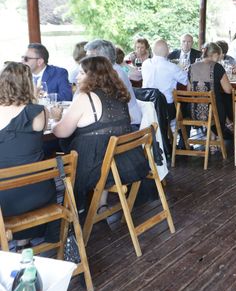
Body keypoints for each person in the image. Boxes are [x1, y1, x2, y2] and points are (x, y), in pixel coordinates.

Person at [51, 56, 149, 211]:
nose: (77, 77)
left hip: (94, 168)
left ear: (94, 76)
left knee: (60, 149)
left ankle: (74, 208)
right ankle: (100, 203)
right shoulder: (119, 94)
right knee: (99, 143)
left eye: (82, 73)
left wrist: (55, 120)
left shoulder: (86, 97)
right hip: (125, 163)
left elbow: (62, 132)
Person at [0, 62, 57, 243]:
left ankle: (17, 243)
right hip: (37, 192)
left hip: (4, 198)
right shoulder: (37, 112)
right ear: (28, 84)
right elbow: (46, 127)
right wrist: (33, 97)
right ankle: (24, 241)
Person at [84, 39, 143, 127]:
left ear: (103, 58)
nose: (86, 61)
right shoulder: (108, 70)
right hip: (117, 121)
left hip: (129, 125)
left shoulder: (115, 74)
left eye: (90, 57)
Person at [188, 42, 232, 134]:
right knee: (226, 99)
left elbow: (189, 90)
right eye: (219, 57)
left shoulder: (192, 67)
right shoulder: (217, 67)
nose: (219, 60)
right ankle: (224, 128)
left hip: (194, 112)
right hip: (213, 112)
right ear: (215, 54)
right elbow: (228, 90)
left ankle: (211, 135)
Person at [141, 39, 188, 120]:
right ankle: (182, 131)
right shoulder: (171, 67)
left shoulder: (145, 64)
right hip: (166, 110)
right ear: (167, 51)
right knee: (186, 107)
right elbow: (186, 80)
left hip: (147, 107)